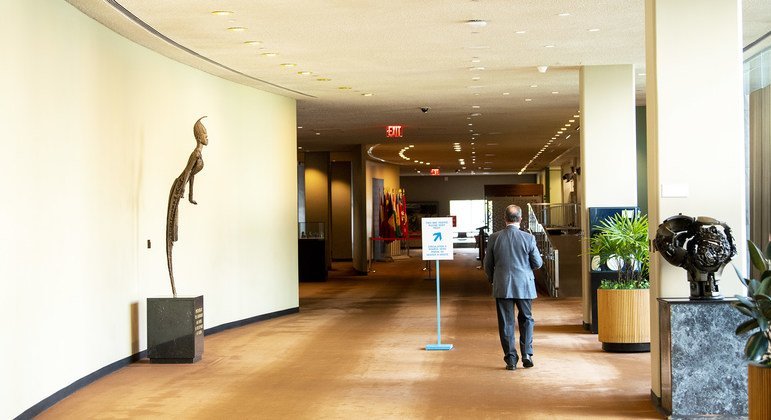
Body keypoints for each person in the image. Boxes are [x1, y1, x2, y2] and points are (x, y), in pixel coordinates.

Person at [484, 204, 543, 370]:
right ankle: (527, 354)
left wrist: (493, 279)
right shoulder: (528, 238)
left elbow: (488, 265)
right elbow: (537, 263)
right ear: (520, 219)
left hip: (502, 286)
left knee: (506, 323)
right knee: (526, 320)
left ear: (505, 219)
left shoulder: (494, 238)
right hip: (524, 285)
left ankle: (511, 360)